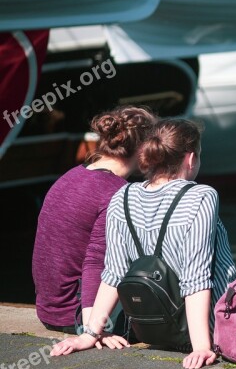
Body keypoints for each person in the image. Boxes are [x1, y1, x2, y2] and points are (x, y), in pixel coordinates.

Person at [51, 119, 236, 369]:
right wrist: (201, 346)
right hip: (205, 328)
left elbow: (113, 272)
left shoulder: (122, 196)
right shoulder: (201, 196)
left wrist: (89, 333)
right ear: (191, 159)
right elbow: (196, 278)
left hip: (151, 329)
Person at [32, 106, 157, 334]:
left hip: (50, 310)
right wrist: (94, 330)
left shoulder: (71, 176)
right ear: (143, 150)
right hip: (79, 315)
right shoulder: (117, 193)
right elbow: (97, 261)